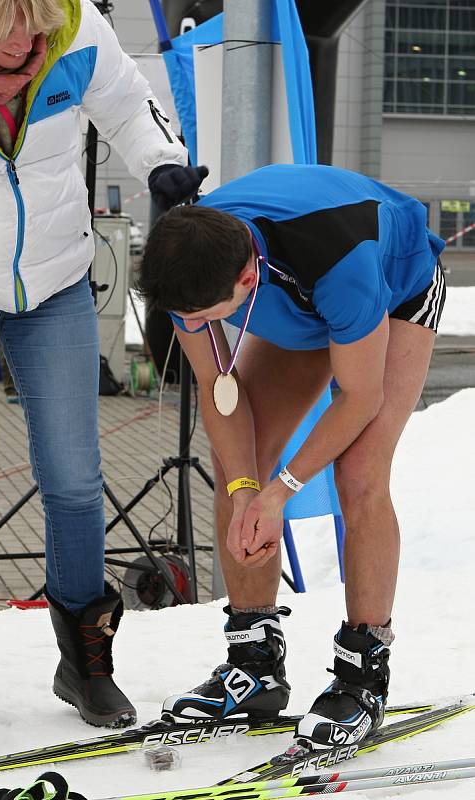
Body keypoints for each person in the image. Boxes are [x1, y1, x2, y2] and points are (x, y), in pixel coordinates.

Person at [0, 0, 207, 749]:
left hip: (54, 279)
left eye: (39, 16)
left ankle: (85, 663)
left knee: (74, 477)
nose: (32, 37)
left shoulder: (73, 26)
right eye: (11, 23)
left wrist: (162, 168)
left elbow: (128, 107)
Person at [137, 163, 446, 749]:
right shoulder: (187, 265)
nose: (198, 328)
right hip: (296, 297)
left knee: (359, 474)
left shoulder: (340, 261)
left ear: (247, 275)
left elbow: (359, 399)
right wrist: (247, 490)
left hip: (393, 284)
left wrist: (282, 489)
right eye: (190, 319)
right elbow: (216, 387)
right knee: (238, 465)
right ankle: (253, 661)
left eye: (208, 317)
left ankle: (363, 670)